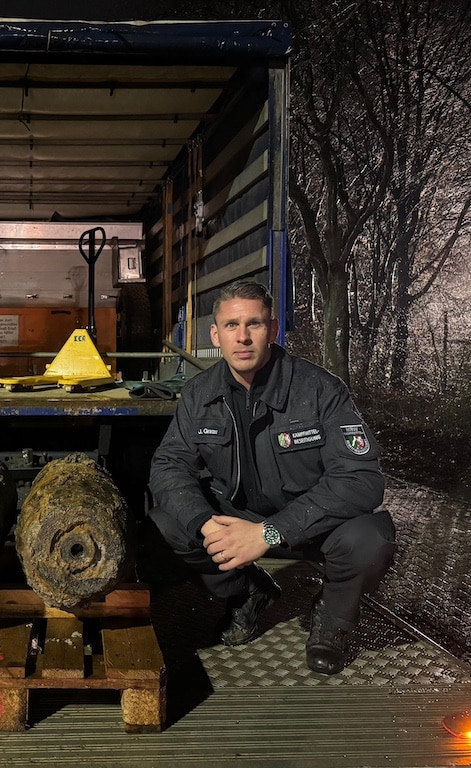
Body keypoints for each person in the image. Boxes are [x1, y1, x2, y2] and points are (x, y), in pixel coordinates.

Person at [147, 280, 395, 674]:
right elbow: (168, 465)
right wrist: (204, 522)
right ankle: (247, 591)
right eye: (231, 326)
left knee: (370, 539)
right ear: (216, 334)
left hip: (310, 524)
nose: (242, 337)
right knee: (167, 523)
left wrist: (269, 533)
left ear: (273, 330)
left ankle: (331, 620)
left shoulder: (319, 390)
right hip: (239, 519)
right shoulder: (198, 394)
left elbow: (361, 479)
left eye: (254, 324)